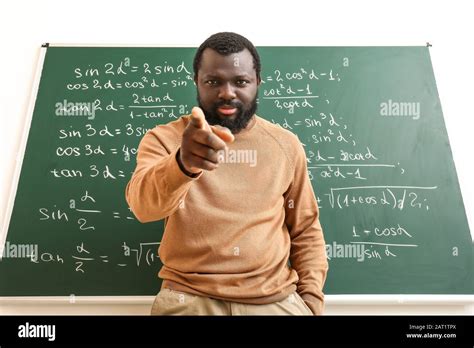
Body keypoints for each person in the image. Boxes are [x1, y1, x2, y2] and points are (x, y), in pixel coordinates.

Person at [125, 32, 328, 315]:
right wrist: (182, 164)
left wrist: (311, 303)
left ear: (258, 82)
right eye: (213, 81)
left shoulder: (286, 144)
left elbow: (305, 229)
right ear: (197, 81)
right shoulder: (164, 139)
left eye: (240, 81)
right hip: (189, 299)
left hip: (274, 302)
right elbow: (143, 207)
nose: (227, 92)